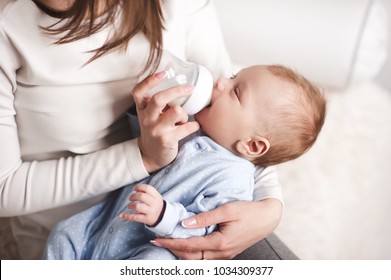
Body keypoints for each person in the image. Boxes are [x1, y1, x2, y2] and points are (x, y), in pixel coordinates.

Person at [0, 0, 283, 260]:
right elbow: (5, 188)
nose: (221, 83)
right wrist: (142, 157)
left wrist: (270, 205)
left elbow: (253, 119)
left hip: (172, 232)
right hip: (74, 230)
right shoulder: (9, 27)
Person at [43, 64, 326, 260]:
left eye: (236, 91)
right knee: (64, 232)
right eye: (232, 76)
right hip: (107, 224)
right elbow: (144, 144)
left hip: (149, 244)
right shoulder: (191, 124)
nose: (220, 82)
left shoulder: (234, 179)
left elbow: (203, 227)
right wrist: (143, 118)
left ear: (251, 145)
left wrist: (163, 214)